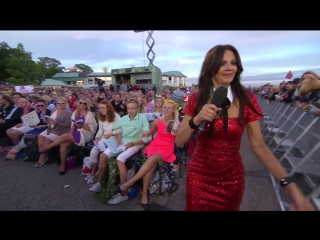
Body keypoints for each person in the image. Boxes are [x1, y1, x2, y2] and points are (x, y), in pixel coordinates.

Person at [175, 44, 315, 211]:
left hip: (232, 181)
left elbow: (259, 146)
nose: (229, 68)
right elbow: (179, 141)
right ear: (211, 68)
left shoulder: (247, 99)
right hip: (200, 179)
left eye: (233, 63)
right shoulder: (196, 99)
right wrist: (197, 119)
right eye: (223, 63)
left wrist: (289, 185)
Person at [114, 99, 180, 209]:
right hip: (155, 144)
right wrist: (143, 132)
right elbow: (150, 134)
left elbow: (177, 139)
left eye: (169, 108)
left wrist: (177, 132)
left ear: (173, 110)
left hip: (167, 147)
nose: (166, 109)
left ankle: (128, 183)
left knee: (151, 160)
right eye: (165, 107)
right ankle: (144, 193)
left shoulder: (176, 123)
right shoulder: (157, 121)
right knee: (151, 165)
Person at [89, 98, 150, 205]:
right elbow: (115, 129)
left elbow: (146, 139)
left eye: (133, 108)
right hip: (123, 142)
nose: (130, 111)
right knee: (103, 156)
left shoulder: (142, 118)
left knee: (120, 159)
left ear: (137, 109)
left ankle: (124, 192)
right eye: (129, 108)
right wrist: (116, 137)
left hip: (135, 143)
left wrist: (131, 144)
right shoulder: (125, 118)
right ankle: (99, 182)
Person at [39, 98, 97, 175]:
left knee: (65, 136)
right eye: (81, 103)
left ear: (87, 105)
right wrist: (72, 130)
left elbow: (93, 129)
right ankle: (62, 166)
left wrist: (82, 125)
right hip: (75, 132)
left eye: (85, 103)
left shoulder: (89, 114)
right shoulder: (76, 112)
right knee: (63, 144)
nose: (82, 105)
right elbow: (72, 125)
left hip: (85, 133)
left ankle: (47, 148)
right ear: (78, 103)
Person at [85, 100, 121, 184]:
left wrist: (112, 133)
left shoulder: (116, 116)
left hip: (114, 139)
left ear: (108, 108)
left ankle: (98, 175)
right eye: (100, 108)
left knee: (103, 155)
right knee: (93, 152)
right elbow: (100, 130)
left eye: (103, 108)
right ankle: (93, 172)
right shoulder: (101, 117)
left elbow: (121, 128)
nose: (102, 110)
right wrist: (97, 137)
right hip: (104, 139)